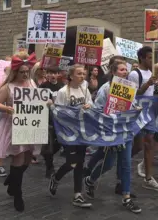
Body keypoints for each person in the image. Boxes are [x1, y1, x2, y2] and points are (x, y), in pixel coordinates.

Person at [0, 51, 44, 212]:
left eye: (27, 72)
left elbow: (37, 99)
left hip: (30, 124)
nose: (25, 74)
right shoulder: (7, 87)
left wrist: (46, 101)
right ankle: (17, 194)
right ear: (15, 72)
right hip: (13, 126)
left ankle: (12, 178)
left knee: (27, 160)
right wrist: (7, 109)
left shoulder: (32, 83)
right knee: (18, 158)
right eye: (22, 72)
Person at [83, 61, 142, 214]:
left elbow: (132, 104)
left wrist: (136, 108)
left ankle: (126, 197)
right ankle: (90, 180)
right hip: (112, 132)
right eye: (122, 69)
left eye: (126, 70)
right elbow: (97, 109)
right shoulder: (106, 88)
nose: (125, 72)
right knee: (108, 164)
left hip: (126, 131)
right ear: (114, 72)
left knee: (126, 164)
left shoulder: (129, 87)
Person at [48, 64, 93, 208]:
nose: (82, 76)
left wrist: (88, 107)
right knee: (72, 162)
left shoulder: (85, 90)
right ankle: (56, 177)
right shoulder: (63, 92)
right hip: (69, 133)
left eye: (83, 74)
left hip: (82, 132)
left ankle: (77, 194)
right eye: (79, 73)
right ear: (71, 76)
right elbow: (60, 113)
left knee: (80, 162)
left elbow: (91, 105)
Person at [129, 47, 158, 192]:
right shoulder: (134, 74)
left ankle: (149, 177)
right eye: (150, 58)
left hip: (149, 113)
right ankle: (122, 160)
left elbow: (153, 93)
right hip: (137, 112)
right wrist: (148, 83)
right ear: (142, 58)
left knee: (149, 143)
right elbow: (134, 93)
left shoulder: (152, 73)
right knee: (138, 146)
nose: (152, 61)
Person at [39, 66, 64, 178]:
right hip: (46, 119)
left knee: (58, 144)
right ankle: (50, 167)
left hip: (59, 119)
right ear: (47, 74)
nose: (53, 75)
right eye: (50, 73)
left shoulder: (62, 86)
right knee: (49, 143)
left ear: (58, 74)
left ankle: (46, 155)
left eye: (55, 73)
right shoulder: (43, 86)